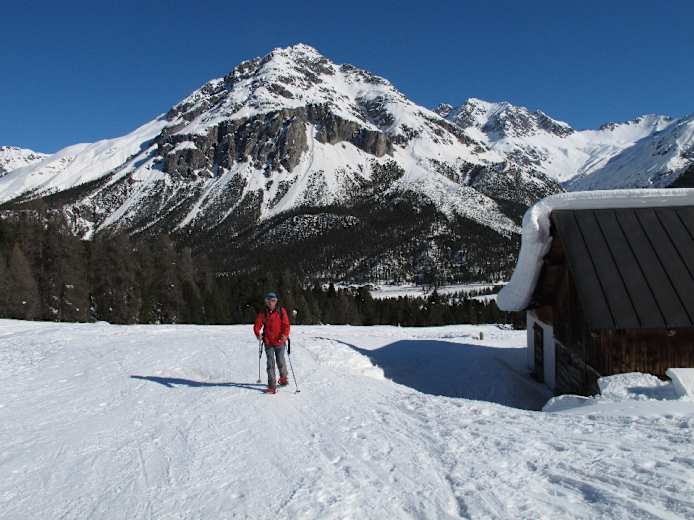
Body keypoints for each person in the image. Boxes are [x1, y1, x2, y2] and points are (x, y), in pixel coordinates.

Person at [253, 292, 291, 394]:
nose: (271, 303)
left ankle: (283, 378)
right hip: (268, 342)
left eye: (273, 301)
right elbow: (257, 325)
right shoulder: (263, 313)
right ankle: (272, 386)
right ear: (266, 302)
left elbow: (286, 325)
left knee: (280, 361)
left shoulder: (281, 311)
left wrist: (285, 335)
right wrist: (257, 334)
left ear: (276, 301)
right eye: (269, 301)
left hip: (279, 341)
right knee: (270, 364)